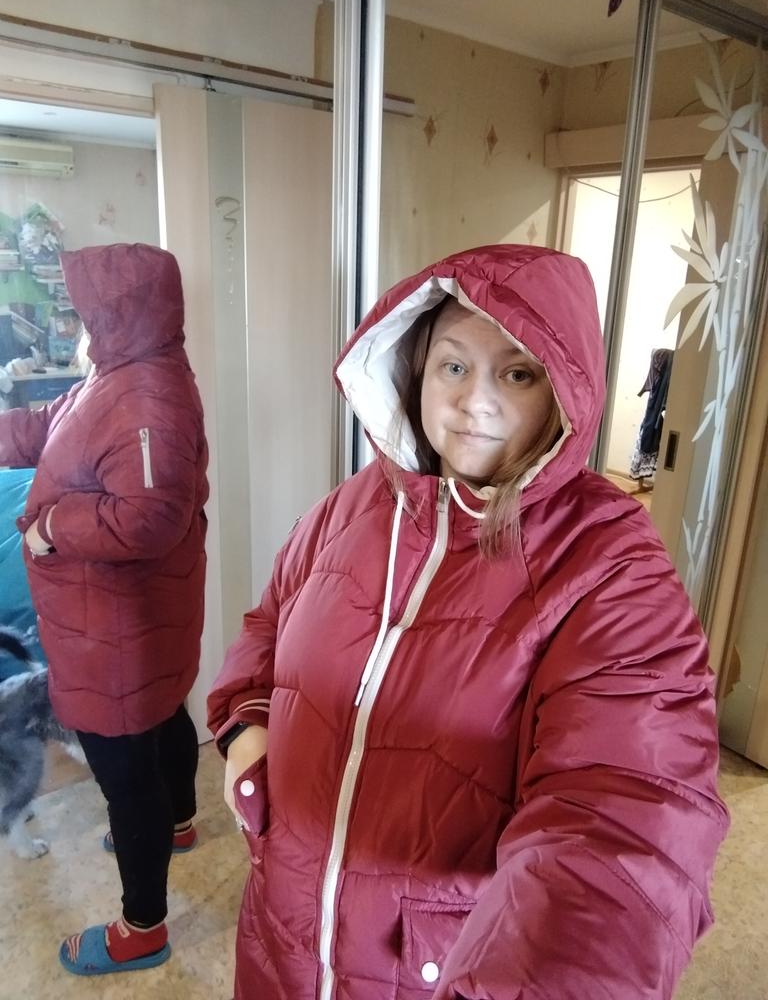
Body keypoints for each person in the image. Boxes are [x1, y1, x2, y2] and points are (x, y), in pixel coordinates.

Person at [208, 244, 728, 1000]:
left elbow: (625, 823)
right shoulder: (353, 507)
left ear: (564, 393)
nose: (472, 402)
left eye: (517, 374)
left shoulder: (609, 564)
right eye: (453, 366)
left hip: (434, 972)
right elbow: (268, 622)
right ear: (416, 371)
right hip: (281, 944)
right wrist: (246, 725)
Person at [0, 242, 208, 976]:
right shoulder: (122, 370)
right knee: (164, 719)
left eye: (89, 310)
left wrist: (54, 526)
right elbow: (53, 424)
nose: (81, 323)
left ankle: (142, 929)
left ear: (116, 313)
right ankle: (179, 825)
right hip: (126, 622)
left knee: (125, 777)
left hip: (114, 629)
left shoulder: (148, 397)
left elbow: (148, 518)